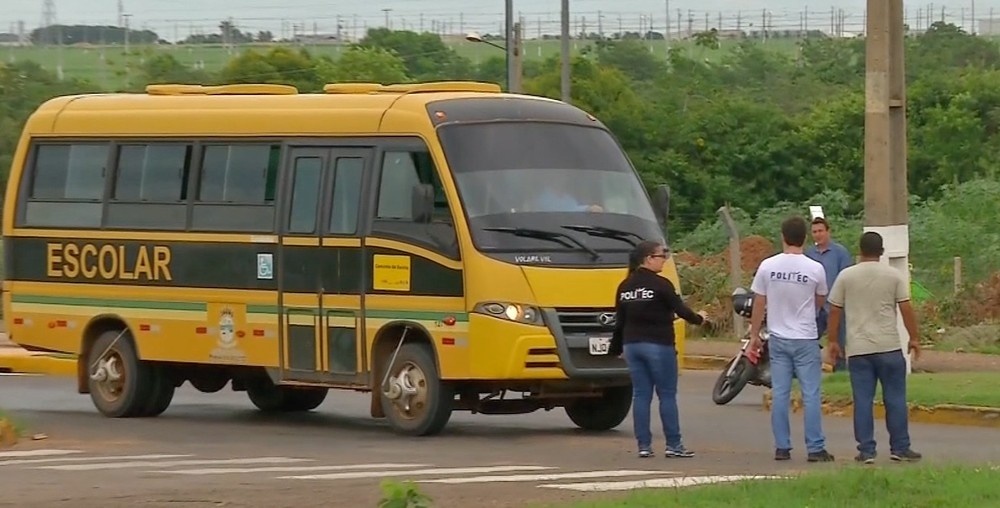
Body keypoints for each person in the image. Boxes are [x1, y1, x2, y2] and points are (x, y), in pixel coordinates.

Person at [825, 231, 923, 464]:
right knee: (896, 398)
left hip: (859, 350)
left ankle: (867, 450)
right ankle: (900, 447)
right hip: (889, 346)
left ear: (859, 251)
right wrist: (914, 337)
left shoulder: (846, 276)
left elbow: (835, 310)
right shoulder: (893, 275)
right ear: (881, 252)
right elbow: (906, 308)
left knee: (863, 400)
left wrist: (832, 341)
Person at [609, 240, 708, 459]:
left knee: (641, 395)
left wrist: (616, 348)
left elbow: (619, 321)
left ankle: (644, 446)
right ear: (648, 259)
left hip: (632, 345)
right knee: (667, 395)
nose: (664, 259)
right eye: (661, 255)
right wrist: (700, 319)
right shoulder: (661, 284)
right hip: (658, 345)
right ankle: (674, 444)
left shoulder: (625, 287)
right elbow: (681, 310)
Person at [749, 216, 835, 462]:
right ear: (805, 238)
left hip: (778, 336)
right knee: (810, 393)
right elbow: (820, 301)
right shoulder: (815, 268)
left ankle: (782, 446)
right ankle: (815, 447)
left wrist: (755, 334)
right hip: (806, 337)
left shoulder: (768, 266)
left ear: (783, 237)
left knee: (780, 392)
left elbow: (759, 302)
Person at [805, 217, 854, 371]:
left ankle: (840, 375)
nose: (818, 234)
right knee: (808, 341)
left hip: (835, 306)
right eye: (814, 232)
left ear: (828, 232)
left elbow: (846, 278)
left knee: (838, 344)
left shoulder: (840, 253)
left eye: (820, 231)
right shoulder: (809, 253)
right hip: (815, 306)